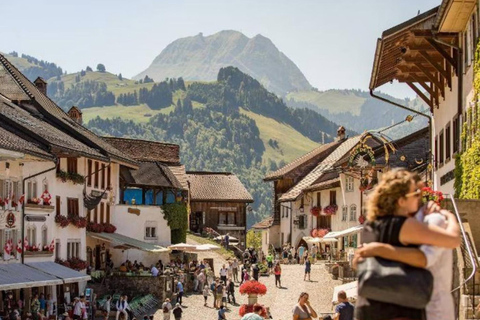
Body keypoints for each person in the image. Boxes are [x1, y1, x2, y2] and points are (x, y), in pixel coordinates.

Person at [354, 169, 460, 320]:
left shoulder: (371, 225)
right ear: (401, 201)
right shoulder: (404, 225)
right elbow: (452, 241)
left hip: (368, 306)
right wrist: (450, 216)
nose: (419, 197)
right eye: (415, 193)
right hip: (397, 310)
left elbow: (358, 263)